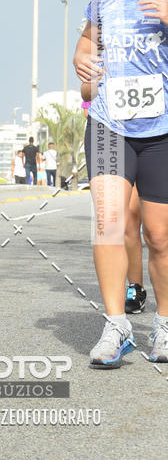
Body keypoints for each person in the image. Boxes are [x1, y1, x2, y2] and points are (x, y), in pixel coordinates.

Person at [74, 0, 168, 368]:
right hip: (110, 124)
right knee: (109, 223)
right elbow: (86, 43)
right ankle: (116, 326)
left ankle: (164, 325)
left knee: (160, 235)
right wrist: (81, 59)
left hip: (162, 130)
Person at [81, 79, 147, 315]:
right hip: (115, 138)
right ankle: (135, 286)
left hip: (155, 137)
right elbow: (87, 100)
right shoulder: (107, 62)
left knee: (155, 229)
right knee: (127, 219)